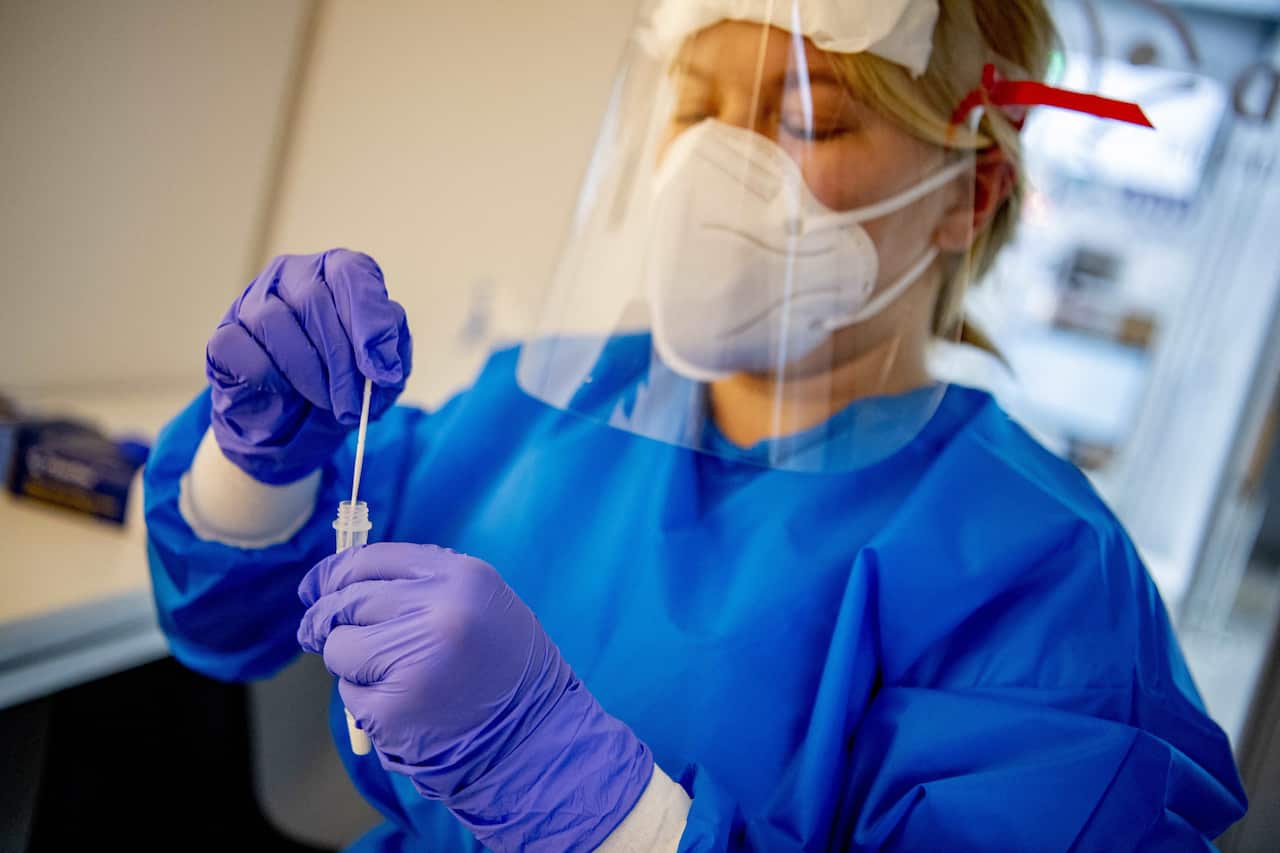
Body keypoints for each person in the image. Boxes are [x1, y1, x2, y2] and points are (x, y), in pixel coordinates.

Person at [145, 1, 1247, 849]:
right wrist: (256, 462)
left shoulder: (1044, 578)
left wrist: (584, 801)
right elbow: (233, 620)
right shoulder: (544, 408)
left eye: (806, 116)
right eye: (693, 108)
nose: (716, 165)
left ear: (970, 192)